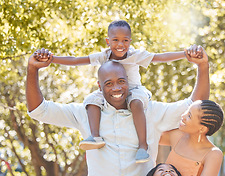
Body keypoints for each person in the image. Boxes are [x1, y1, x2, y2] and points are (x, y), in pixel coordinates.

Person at [26, 44, 210, 176]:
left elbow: (195, 106)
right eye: (109, 83)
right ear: (99, 86)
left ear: (129, 82)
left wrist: (203, 67)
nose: (117, 88)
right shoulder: (85, 113)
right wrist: (32, 69)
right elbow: (39, 110)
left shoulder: (151, 112)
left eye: (122, 81)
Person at [34, 19, 202, 163]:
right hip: (111, 90)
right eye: (115, 40)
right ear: (108, 41)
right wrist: (52, 59)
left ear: (130, 41)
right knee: (91, 100)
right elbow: (77, 60)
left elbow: (160, 57)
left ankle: (143, 146)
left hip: (134, 90)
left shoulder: (135, 55)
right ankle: (95, 136)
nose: (120, 45)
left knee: (135, 103)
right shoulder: (104, 55)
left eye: (125, 41)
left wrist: (185, 54)